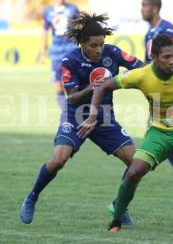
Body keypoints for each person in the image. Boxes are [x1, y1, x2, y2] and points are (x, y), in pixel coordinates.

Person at [77, 34, 173, 232]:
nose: (172, 61)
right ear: (155, 58)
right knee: (133, 172)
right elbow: (103, 86)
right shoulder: (142, 75)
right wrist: (92, 116)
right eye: (166, 57)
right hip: (159, 133)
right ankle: (116, 220)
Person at [19, 12, 144, 226]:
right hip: (76, 115)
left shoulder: (113, 53)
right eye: (93, 45)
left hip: (104, 118)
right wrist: (92, 87)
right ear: (82, 44)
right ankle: (32, 197)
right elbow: (72, 96)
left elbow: (141, 68)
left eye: (101, 45)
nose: (98, 50)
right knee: (58, 159)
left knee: (137, 164)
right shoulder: (70, 60)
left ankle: (119, 205)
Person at [141, 0, 173, 182]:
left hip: (171, 93)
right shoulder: (148, 34)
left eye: (144, 6)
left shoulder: (168, 29)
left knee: (163, 134)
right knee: (165, 134)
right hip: (156, 94)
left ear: (154, 9)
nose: (142, 10)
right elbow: (148, 67)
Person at [39, 0, 79, 110]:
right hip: (56, 52)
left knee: (73, 82)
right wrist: (43, 53)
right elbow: (44, 32)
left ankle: (75, 109)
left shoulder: (73, 9)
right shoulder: (48, 12)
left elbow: (80, 27)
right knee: (58, 84)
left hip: (71, 49)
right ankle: (65, 111)